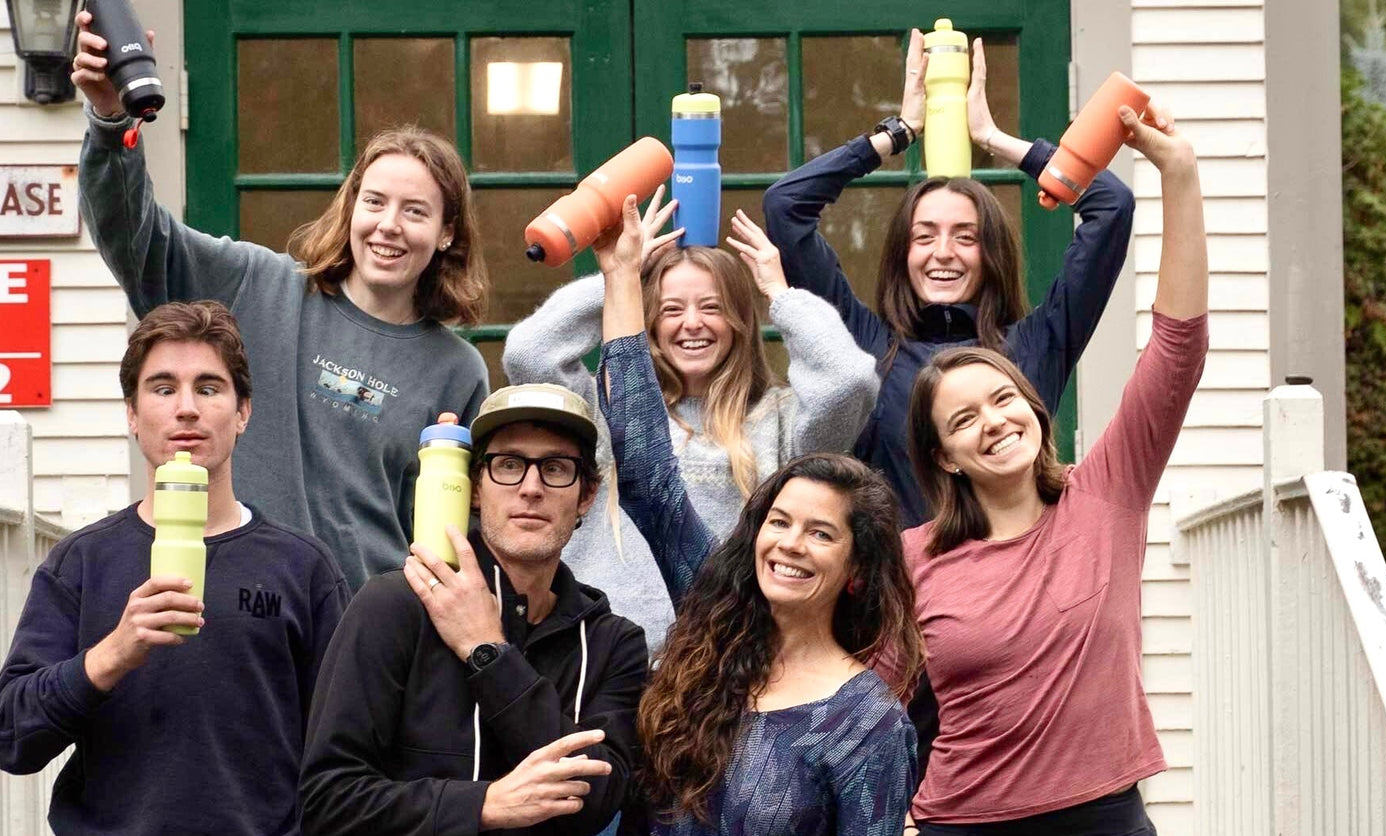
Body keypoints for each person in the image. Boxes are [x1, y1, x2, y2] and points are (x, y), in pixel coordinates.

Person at [71, 11, 490, 591]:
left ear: (446, 234)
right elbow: (134, 238)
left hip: (366, 624)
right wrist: (111, 121)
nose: (388, 225)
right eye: (374, 202)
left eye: (415, 211)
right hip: (237, 607)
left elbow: (461, 536)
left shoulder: (456, 371)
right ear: (351, 208)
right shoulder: (255, 284)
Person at [893, 104, 1204, 835]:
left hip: (1105, 819)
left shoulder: (1107, 497)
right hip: (960, 823)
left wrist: (1180, 177)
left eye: (1003, 399)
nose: (993, 422)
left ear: (1033, 407)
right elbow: (865, 703)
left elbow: (1177, 352)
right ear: (943, 458)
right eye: (963, 420)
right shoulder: (911, 557)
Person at [592, 197, 925, 834]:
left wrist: (779, 292)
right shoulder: (709, 625)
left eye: (820, 532)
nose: (790, 543)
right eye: (779, 521)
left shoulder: (867, 723)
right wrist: (620, 279)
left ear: (856, 571)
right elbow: (645, 470)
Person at [0, 301, 351, 835]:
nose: (186, 409)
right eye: (162, 388)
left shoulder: (303, 567)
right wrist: (112, 654)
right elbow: (9, 738)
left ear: (242, 412)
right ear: (132, 415)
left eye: (208, 388)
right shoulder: (83, 561)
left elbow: (344, 756)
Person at [761, 29, 1139, 528]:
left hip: (1014, 575)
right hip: (898, 577)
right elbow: (786, 205)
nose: (944, 252)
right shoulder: (868, 346)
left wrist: (994, 139)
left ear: (991, 254)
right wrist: (898, 133)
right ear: (902, 254)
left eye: (966, 236)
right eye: (925, 236)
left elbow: (1111, 206)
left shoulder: (1035, 347)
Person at [504, 187, 878, 647]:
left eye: (712, 307)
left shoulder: (781, 422)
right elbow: (529, 353)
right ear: (649, 322)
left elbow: (848, 381)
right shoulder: (607, 410)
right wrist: (620, 276)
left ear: (739, 321)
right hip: (601, 660)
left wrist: (781, 295)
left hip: (723, 662)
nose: (692, 323)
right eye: (671, 309)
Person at [300, 383, 649, 836]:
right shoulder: (394, 605)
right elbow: (327, 801)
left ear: (586, 495)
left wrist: (487, 649)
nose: (531, 488)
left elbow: (598, 799)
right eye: (509, 465)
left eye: (556, 468)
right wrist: (484, 805)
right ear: (476, 488)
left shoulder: (614, 642)